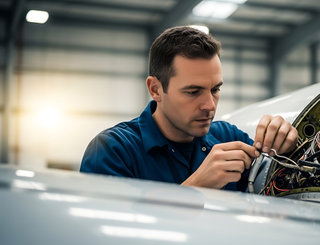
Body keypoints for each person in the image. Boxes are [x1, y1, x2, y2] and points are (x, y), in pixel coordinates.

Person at [80, 26, 298, 191]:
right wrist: (195, 188)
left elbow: (283, 184)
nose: (210, 106)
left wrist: (290, 147)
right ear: (155, 89)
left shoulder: (227, 137)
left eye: (215, 89)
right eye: (193, 92)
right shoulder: (113, 151)